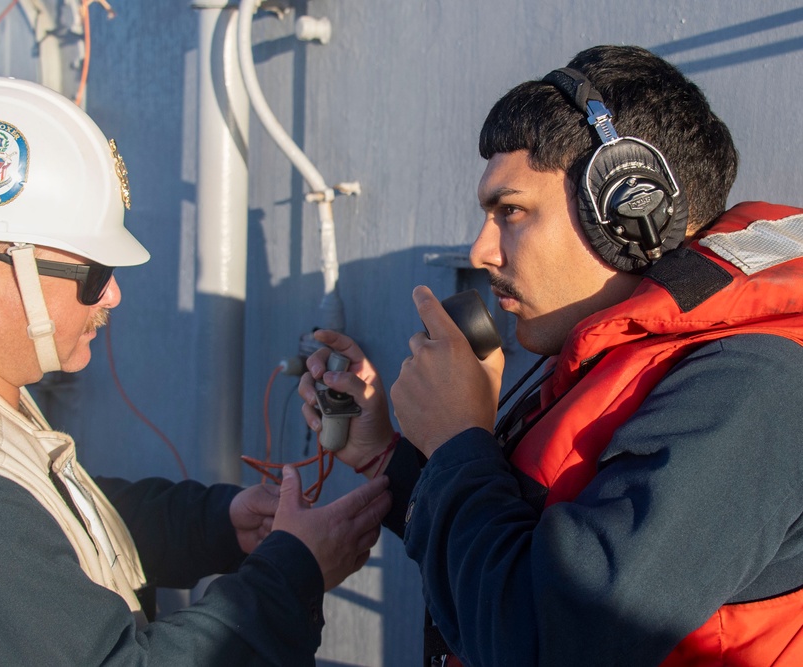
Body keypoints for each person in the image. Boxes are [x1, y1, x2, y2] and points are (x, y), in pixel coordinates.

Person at [0, 76, 391, 666]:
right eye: (91, 273)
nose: (112, 295)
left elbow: (44, 523)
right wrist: (294, 574)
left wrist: (216, 526)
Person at [300, 45, 803, 666]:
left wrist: (460, 437)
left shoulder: (754, 392)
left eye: (509, 212)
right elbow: (509, 549)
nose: (481, 251)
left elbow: (542, 638)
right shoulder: (618, 350)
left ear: (626, 211)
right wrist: (389, 453)